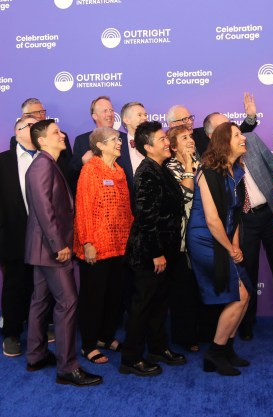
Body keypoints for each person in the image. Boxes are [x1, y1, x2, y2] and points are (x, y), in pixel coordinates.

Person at [24, 119, 102, 387]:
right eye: (56, 132)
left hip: (43, 247)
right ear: (42, 140)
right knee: (68, 303)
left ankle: (36, 355)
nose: (63, 134)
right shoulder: (43, 165)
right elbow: (45, 210)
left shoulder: (48, 164)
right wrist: (59, 245)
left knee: (40, 301)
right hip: (51, 248)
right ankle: (67, 367)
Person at [205, 113, 273, 341]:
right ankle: (247, 322)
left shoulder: (251, 141)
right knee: (248, 273)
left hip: (270, 214)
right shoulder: (214, 161)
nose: (235, 132)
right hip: (244, 222)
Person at [120, 121, 187, 377]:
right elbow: (146, 219)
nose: (166, 143)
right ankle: (131, 358)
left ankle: (158, 348)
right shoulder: (146, 172)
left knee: (159, 304)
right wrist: (156, 253)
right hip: (149, 253)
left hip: (164, 251)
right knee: (142, 306)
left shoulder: (161, 169)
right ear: (148, 147)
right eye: (161, 140)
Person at [186, 122, 251, 376]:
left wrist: (234, 244)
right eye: (237, 135)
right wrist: (228, 248)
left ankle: (226, 350)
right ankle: (215, 352)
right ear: (225, 142)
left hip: (223, 239)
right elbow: (213, 220)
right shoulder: (208, 172)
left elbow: (233, 215)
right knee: (241, 295)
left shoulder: (237, 172)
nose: (243, 138)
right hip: (205, 240)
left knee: (244, 295)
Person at [0, 117, 39, 357]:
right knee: (14, 285)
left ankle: (40, 328)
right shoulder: (0, 162)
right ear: (17, 132)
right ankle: (12, 334)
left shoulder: (50, 158)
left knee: (42, 287)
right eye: (30, 126)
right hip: (13, 234)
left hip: (45, 236)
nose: (35, 130)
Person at [73, 127, 133, 364]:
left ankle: (106, 337)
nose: (119, 143)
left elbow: (126, 211)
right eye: (114, 140)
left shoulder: (119, 171)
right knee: (93, 298)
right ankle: (88, 345)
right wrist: (87, 242)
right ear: (99, 145)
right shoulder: (90, 170)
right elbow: (84, 208)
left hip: (120, 245)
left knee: (114, 296)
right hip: (97, 245)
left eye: (119, 139)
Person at [164, 125, 201, 352]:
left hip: (204, 234)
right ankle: (185, 336)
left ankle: (204, 331)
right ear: (174, 146)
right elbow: (185, 198)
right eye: (184, 137)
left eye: (191, 136)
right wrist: (188, 167)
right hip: (182, 237)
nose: (190, 140)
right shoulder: (169, 168)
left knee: (199, 287)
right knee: (183, 289)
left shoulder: (203, 164)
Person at [71, 96, 131, 202]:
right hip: (94, 201)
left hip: (124, 199)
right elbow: (72, 172)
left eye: (111, 110)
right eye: (105, 111)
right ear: (94, 116)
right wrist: (82, 161)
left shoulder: (125, 138)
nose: (109, 114)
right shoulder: (82, 140)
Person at [9, 98, 75, 193]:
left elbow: (68, 168)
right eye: (35, 113)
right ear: (24, 116)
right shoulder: (16, 141)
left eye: (42, 112)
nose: (40, 116)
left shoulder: (59, 137)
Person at [167, 92, 257, 156]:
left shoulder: (202, 133)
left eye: (190, 118)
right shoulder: (167, 146)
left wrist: (251, 117)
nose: (190, 122)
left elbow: (232, 134)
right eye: (184, 119)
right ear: (172, 125)